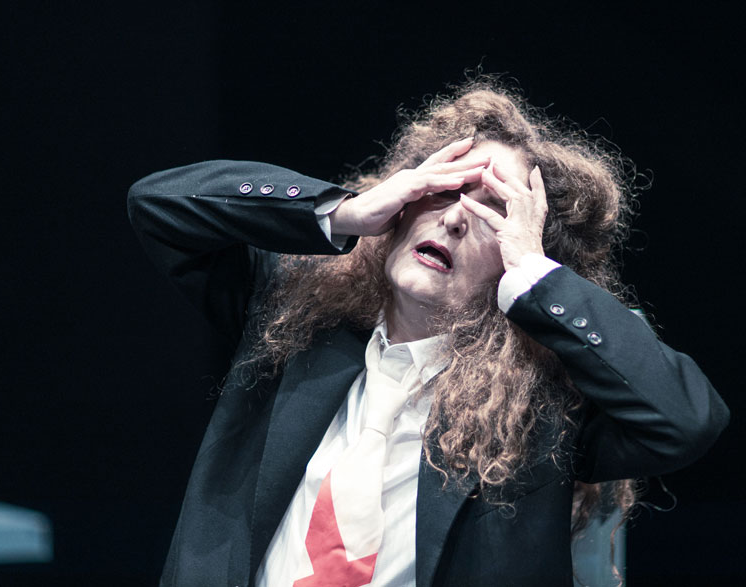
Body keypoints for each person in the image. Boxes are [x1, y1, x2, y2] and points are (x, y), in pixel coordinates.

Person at [128, 80, 729, 586]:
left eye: (493, 210)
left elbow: (686, 418)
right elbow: (158, 205)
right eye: (444, 188)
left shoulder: (544, 406)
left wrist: (536, 275)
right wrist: (342, 212)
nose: (454, 217)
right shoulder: (295, 313)